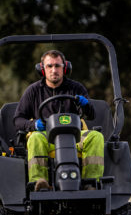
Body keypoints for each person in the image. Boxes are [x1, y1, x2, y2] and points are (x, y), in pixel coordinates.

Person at [13, 50, 104, 191]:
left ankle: (91, 183)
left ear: (65, 68)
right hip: (46, 137)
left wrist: (86, 105)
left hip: (75, 137)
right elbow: (18, 119)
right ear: (42, 69)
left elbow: (91, 115)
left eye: (57, 66)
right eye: (49, 66)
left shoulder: (76, 88)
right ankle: (39, 182)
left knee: (96, 137)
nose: (54, 70)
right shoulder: (33, 91)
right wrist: (33, 124)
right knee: (35, 138)